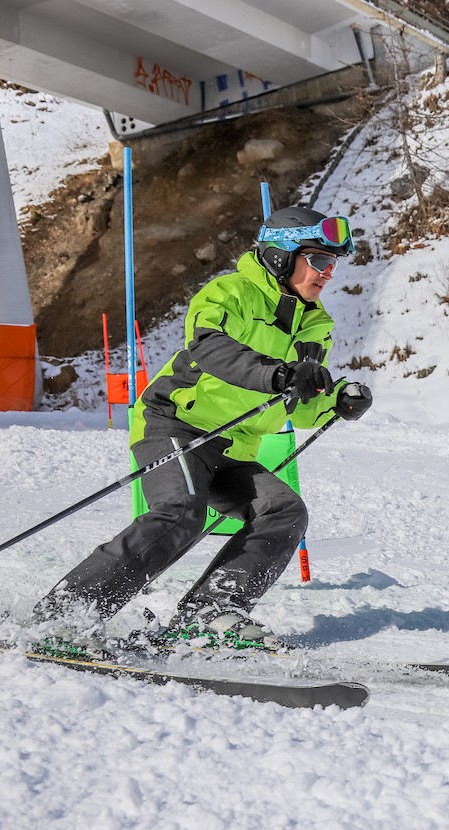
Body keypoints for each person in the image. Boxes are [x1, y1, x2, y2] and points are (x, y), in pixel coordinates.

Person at [31, 206, 373, 652]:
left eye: (333, 264)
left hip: (232, 444)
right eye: (320, 261)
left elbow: (300, 403)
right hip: (175, 423)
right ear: (280, 256)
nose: (328, 274)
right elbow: (212, 351)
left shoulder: (315, 326)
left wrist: (337, 398)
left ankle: (208, 615)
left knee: (284, 512)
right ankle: (64, 617)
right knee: (181, 512)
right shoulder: (228, 293)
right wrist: (281, 373)